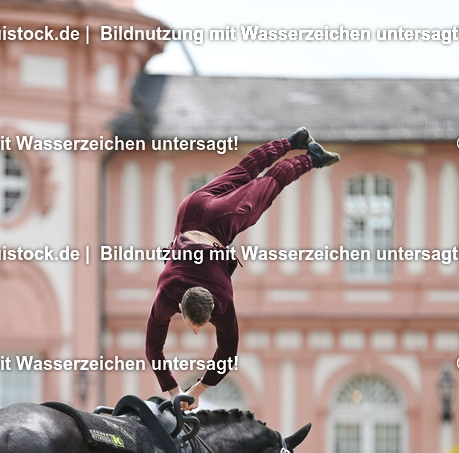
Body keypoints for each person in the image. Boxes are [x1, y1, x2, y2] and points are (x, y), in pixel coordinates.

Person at [145, 128, 341, 409]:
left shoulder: (218, 300)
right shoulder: (169, 294)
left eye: (196, 327)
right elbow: (160, 350)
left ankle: (311, 157)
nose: (197, 332)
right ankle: (291, 141)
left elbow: (225, 352)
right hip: (188, 212)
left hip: (221, 221)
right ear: (183, 304)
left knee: (268, 185)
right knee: (244, 171)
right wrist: (182, 392)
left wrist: (191, 391)